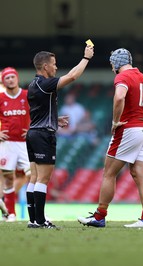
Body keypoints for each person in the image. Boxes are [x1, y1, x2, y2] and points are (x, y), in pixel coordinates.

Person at [77, 48, 143, 228]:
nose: (112, 68)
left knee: (109, 174)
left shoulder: (122, 77)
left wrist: (115, 121)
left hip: (127, 129)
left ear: (116, 63)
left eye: (112, 64)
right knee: (141, 176)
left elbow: (119, 97)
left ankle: (100, 217)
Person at [26, 44, 94, 229]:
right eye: (54, 64)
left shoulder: (33, 85)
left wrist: (55, 120)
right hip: (43, 136)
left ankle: (33, 220)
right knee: (43, 179)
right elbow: (72, 76)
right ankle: (41, 221)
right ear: (45, 66)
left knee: (34, 178)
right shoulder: (46, 84)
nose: (56, 67)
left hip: (33, 133)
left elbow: (40, 113)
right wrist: (86, 58)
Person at [0, 67, 31, 222]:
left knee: (33, 176)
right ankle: (10, 214)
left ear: (17, 78)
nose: (10, 79)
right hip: (7, 144)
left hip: (26, 143)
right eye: (7, 77)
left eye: (13, 77)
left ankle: (38, 213)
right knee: (8, 178)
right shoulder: (0, 98)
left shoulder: (27, 95)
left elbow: (38, 113)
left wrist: (32, 130)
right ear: (3, 81)